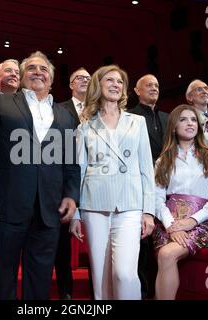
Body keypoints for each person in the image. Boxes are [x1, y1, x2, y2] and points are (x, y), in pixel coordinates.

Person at [0, 51, 80, 300]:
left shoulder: (65, 115)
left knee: (40, 282)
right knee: (2, 281)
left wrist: (71, 195)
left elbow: (71, 161)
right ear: (23, 77)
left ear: (52, 79)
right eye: (32, 68)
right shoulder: (0, 103)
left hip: (49, 210)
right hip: (6, 207)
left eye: (44, 69)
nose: (38, 72)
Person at [70, 65, 155, 300]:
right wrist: (75, 213)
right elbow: (79, 171)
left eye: (120, 82)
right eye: (110, 80)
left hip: (130, 203)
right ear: (98, 85)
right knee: (100, 276)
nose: (116, 84)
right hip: (94, 203)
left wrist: (149, 211)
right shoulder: (84, 127)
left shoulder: (137, 122)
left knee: (125, 274)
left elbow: (147, 168)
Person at [152, 104, 208, 300]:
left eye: (193, 120)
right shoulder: (163, 161)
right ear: (174, 127)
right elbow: (157, 198)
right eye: (183, 119)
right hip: (169, 223)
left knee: (167, 254)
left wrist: (191, 221)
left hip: (199, 224)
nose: (190, 123)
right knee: (164, 256)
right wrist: (171, 226)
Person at [129, 74, 168, 299]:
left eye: (157, 85)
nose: (154, 88)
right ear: (136, 90)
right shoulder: (130, 117)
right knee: (142, 242)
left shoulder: (168, 117)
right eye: (149, 85)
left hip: (167, 185)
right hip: (141, 184)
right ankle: (143, 292)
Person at [54, 67, 91, 300]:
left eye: (89, 78)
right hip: (67, 182)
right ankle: (65, 291)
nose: (85, 81)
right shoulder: (59, 109)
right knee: (63, 245)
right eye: (80, 78)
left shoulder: (102, 110)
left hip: (97, 182)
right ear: (70, 84)